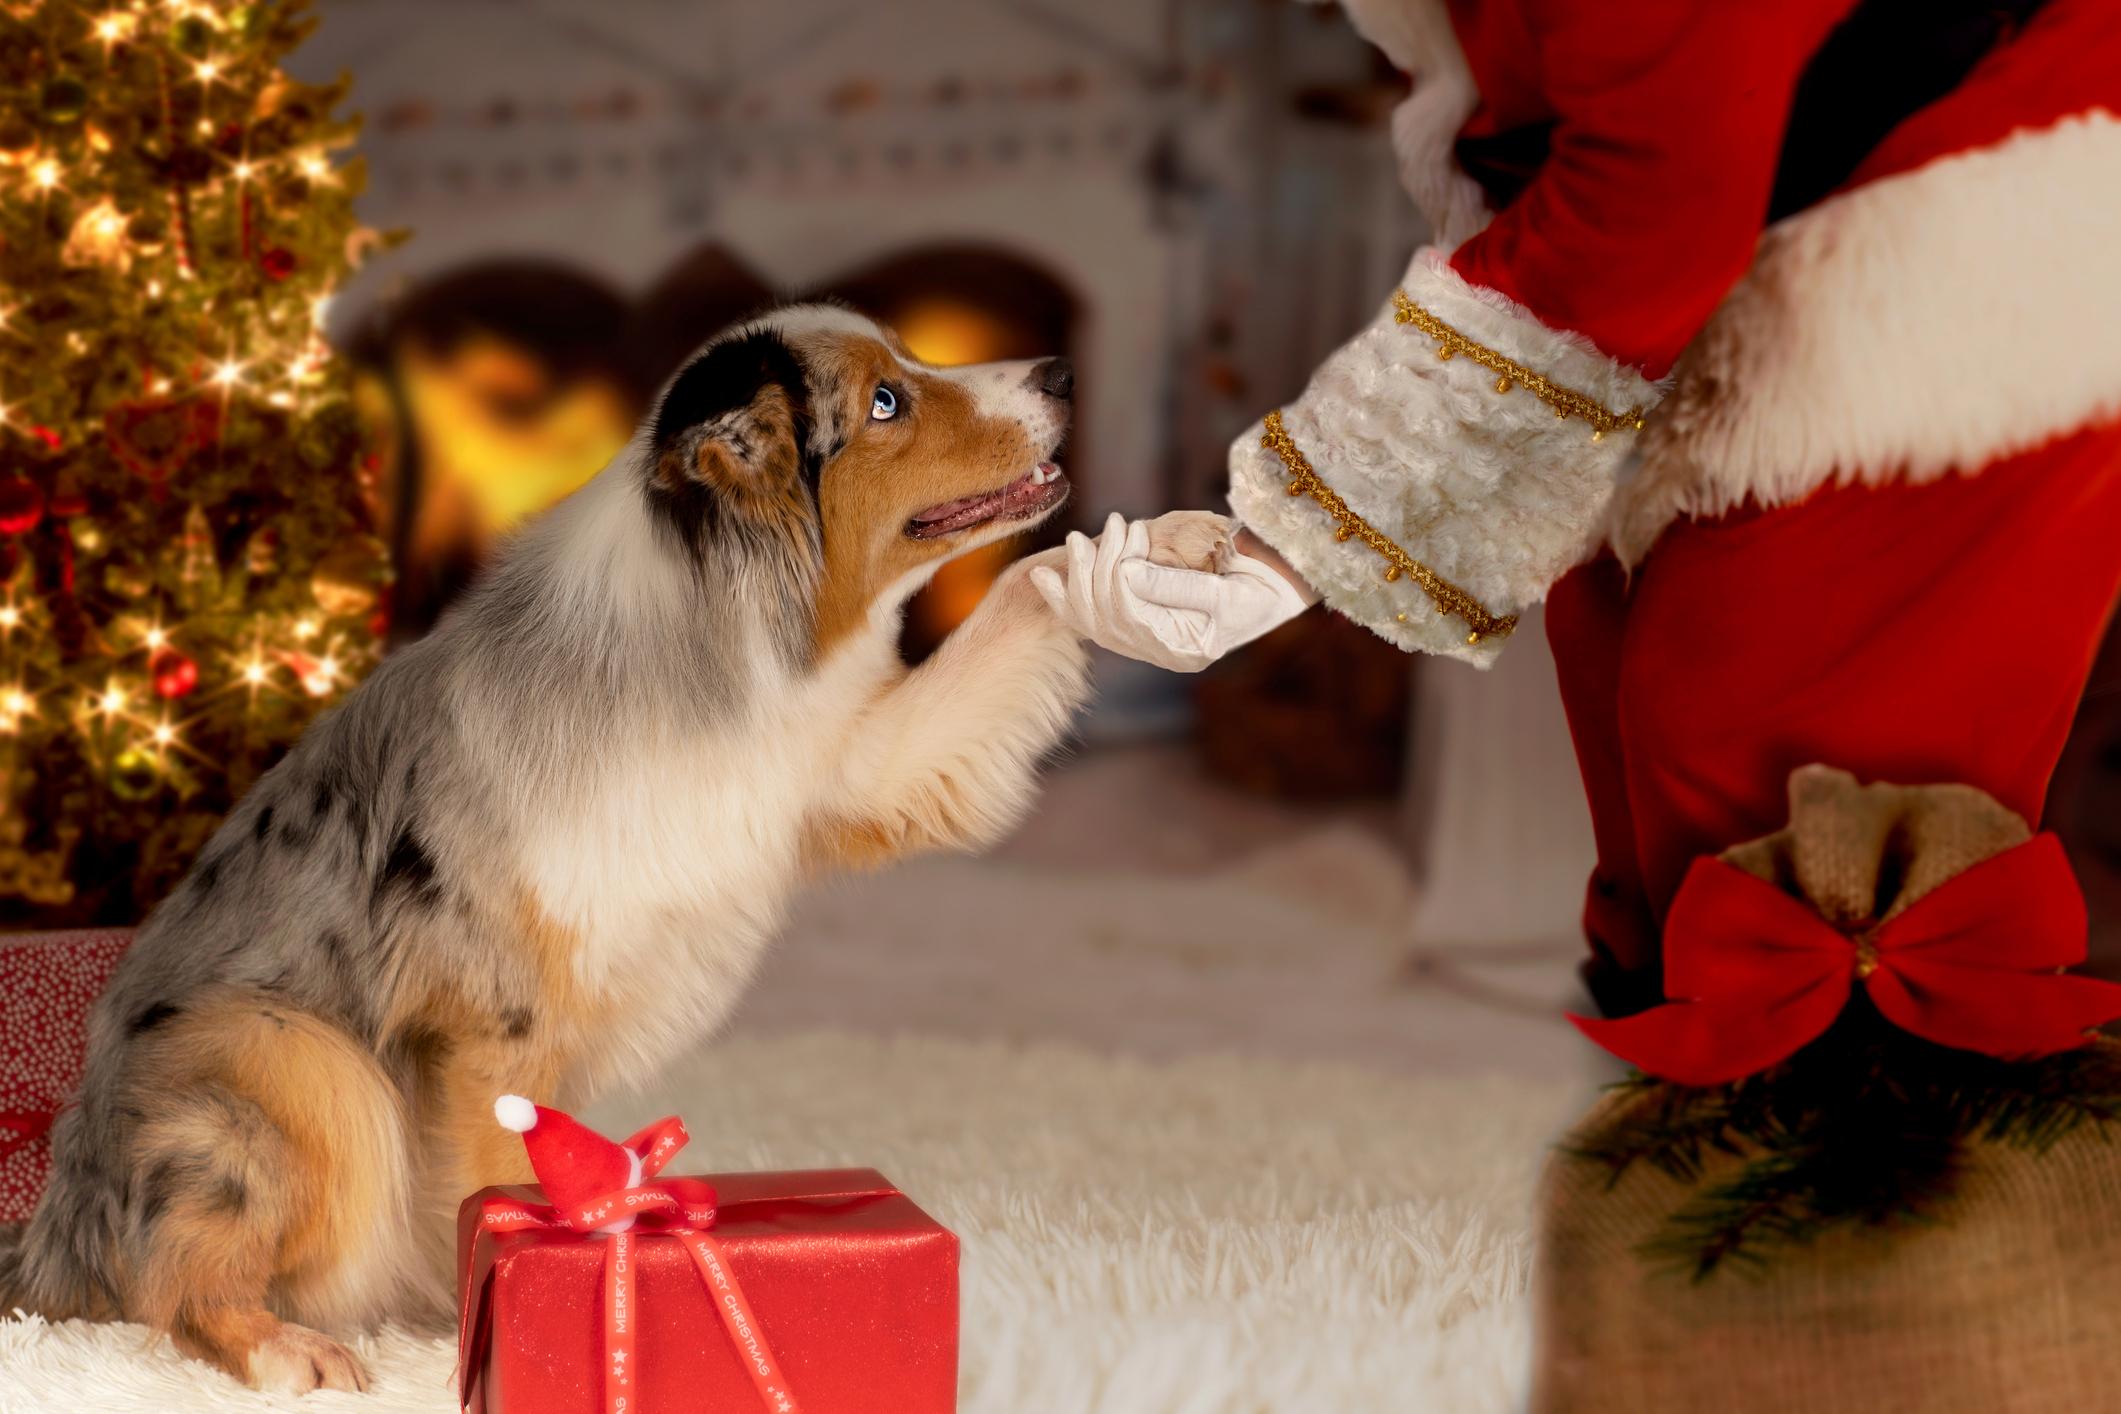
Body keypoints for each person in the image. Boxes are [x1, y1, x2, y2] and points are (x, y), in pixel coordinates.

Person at [1035, 0, 2121, 1016]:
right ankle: (1706, 1162)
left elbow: (1653, 193)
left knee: (1780, 792)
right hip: (1747, 220)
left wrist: (1299, 540)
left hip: (1962, 203)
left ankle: (1873, 1176)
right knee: (1628, 704)